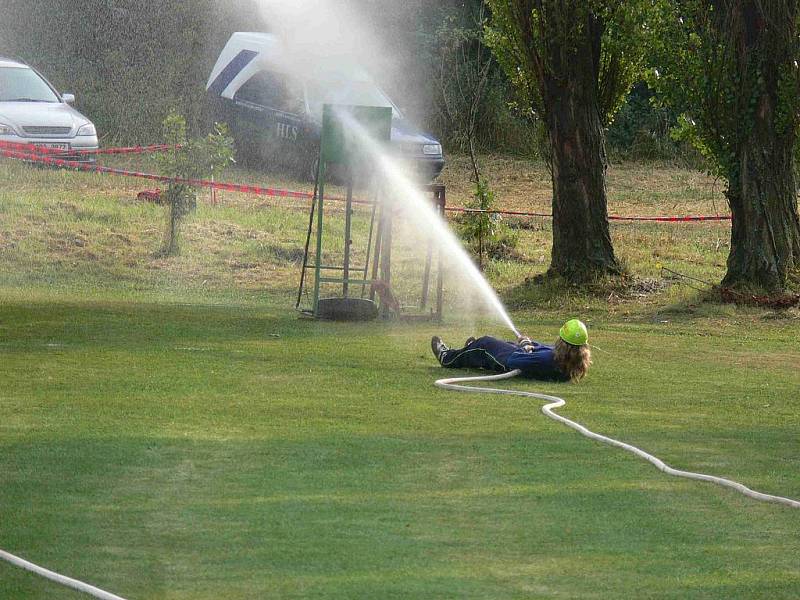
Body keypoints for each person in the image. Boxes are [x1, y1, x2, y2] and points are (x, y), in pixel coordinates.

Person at [431, 319, 592, 383]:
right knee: (500, 343)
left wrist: (524, 347)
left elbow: (515, 361)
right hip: (517, 354)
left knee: (485, 343)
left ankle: (448, 358)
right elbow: (544, 348)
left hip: (508, 361)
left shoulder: (546, 360)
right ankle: (471, 351)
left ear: (563, 342)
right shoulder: (566, 361)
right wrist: (528, 343)